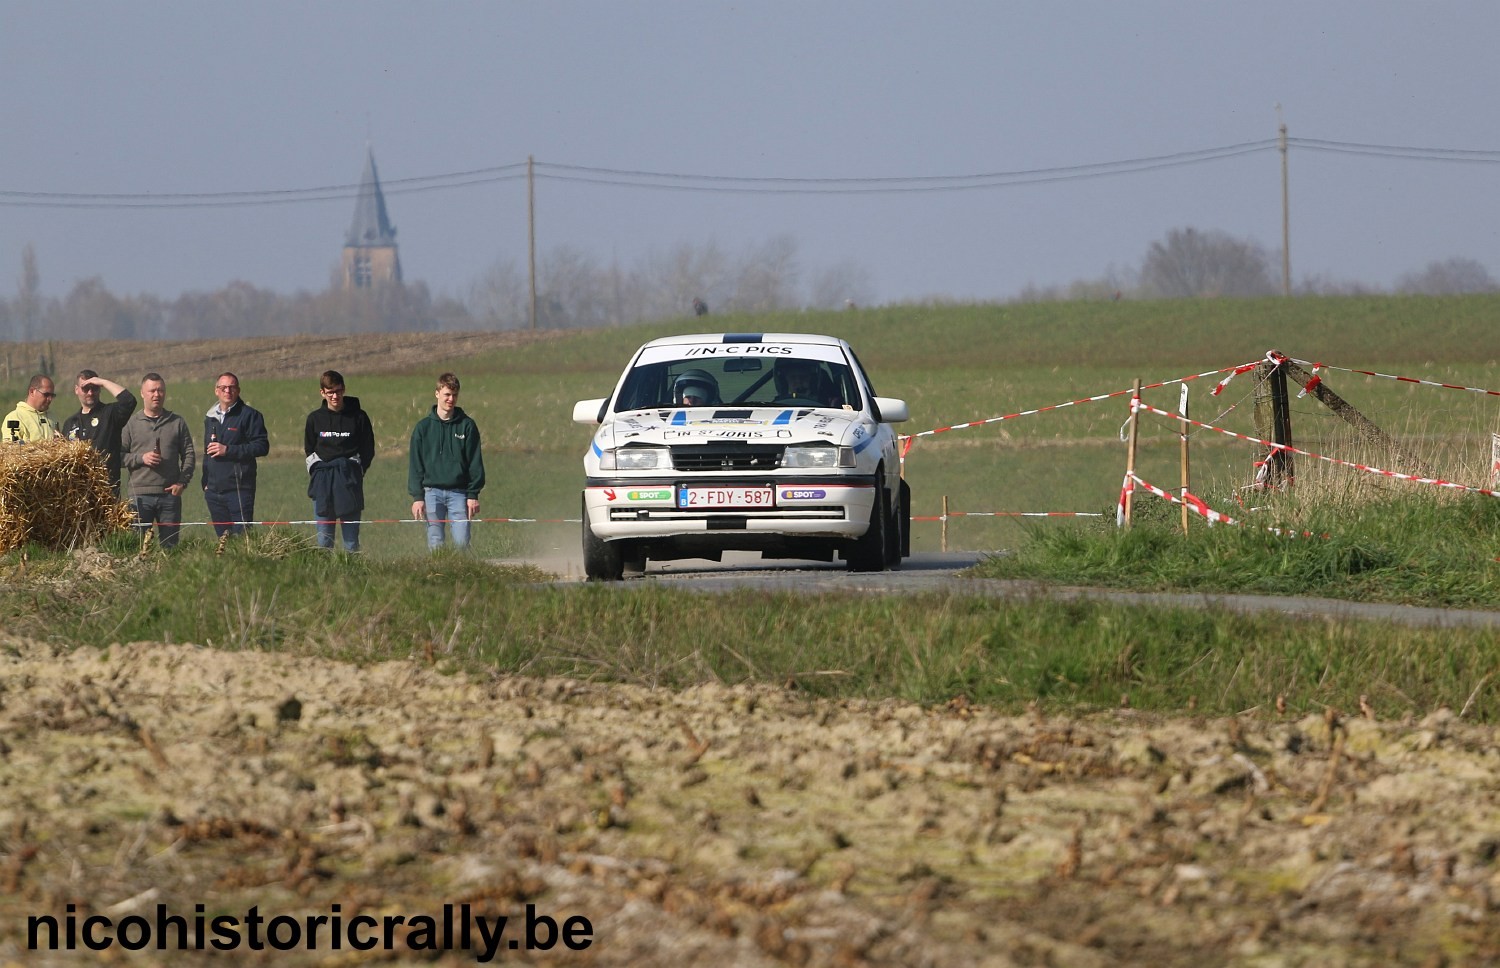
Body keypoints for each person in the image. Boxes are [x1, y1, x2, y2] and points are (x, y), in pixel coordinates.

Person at [408, 372, 486, 551]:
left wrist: (473, 494)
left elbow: (475, 461)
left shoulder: (467, 426)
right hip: (432, 493)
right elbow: (415, 466)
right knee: (435, 541)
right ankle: (439, 576)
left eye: (455, 395)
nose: (451, 399)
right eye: (447, 395)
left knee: (462, 542)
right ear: (437, 394)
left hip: (459, 493)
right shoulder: (423, 428)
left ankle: (462, 575)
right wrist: (417, 497)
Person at [121, 373, 195, 549]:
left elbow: (189, 453)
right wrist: (141, 458)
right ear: (142, 393)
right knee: (137, 547)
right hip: (139, 497)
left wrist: (182, 482)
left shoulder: (177, 422)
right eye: (152, 390)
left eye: (160, 390)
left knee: (170, 548)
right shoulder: (131, 424)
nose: (157, 395)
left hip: (169, 496)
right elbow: (118, 456)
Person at [304, 369, 374, 553]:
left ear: (344, 390)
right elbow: (309, 449)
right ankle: (324, 577)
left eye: (338, 391)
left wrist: (357, 470)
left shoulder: (359, 417)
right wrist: (318, 472)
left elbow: (368, 449)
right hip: (323, 483)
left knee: (351, 542)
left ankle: (353, 577)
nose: (335, 396)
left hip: (348, 481)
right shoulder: (314, 419)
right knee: (324, 541)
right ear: (322, 393)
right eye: (330, 392)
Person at [202, 372, 269, 538]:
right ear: (216, 391)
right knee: (223, 540)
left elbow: (262, 446)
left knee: (242, 539)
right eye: (223, 387)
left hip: (239, 489)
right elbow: (207, 452)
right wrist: (205, 481)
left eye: (232, 387)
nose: (227, 391)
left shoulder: (250, 416)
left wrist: (228, 450)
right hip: (214, 492)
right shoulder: (210, 418)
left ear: (238, 390)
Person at [62, 370, 138, 496]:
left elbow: (129, 401)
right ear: (76, 390)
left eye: (95, 388)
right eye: (86, 388)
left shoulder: (110, 413)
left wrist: (103, 382)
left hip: (106, 491)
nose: (90, 393)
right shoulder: (70, 423)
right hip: (78, 493)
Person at [3, 375, 60, 442]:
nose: (49, 399)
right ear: (32, 391)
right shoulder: (15, 418)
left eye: (52, 395)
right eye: (46, 395)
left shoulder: (52, 418)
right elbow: (12, 449)